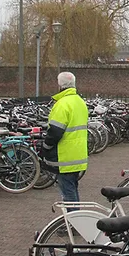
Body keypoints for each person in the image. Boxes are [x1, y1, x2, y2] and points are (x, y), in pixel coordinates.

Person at [41, 72, 89, 205]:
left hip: (65, 156)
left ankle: (73, 222)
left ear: (60, 85)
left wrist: (45, 147)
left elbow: (55, 132)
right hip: (78, 155)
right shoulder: (80, 102)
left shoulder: (62, 104)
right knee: (73, 190)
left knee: (68, 195)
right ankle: (74, 220)